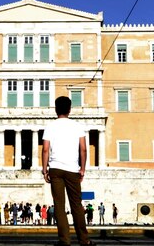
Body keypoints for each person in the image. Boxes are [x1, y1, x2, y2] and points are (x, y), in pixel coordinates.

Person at [42, 96, 94, 246]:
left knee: (59, 205)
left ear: (56, 109)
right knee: (76, 205)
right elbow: (83, 149)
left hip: (56, 169)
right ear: (70, 109)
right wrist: (82, 169)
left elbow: (45, 149)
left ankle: (64, 240)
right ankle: (84, 240)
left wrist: (45, 170)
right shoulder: (77, 126)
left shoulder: (50, 126)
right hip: (72, 169)